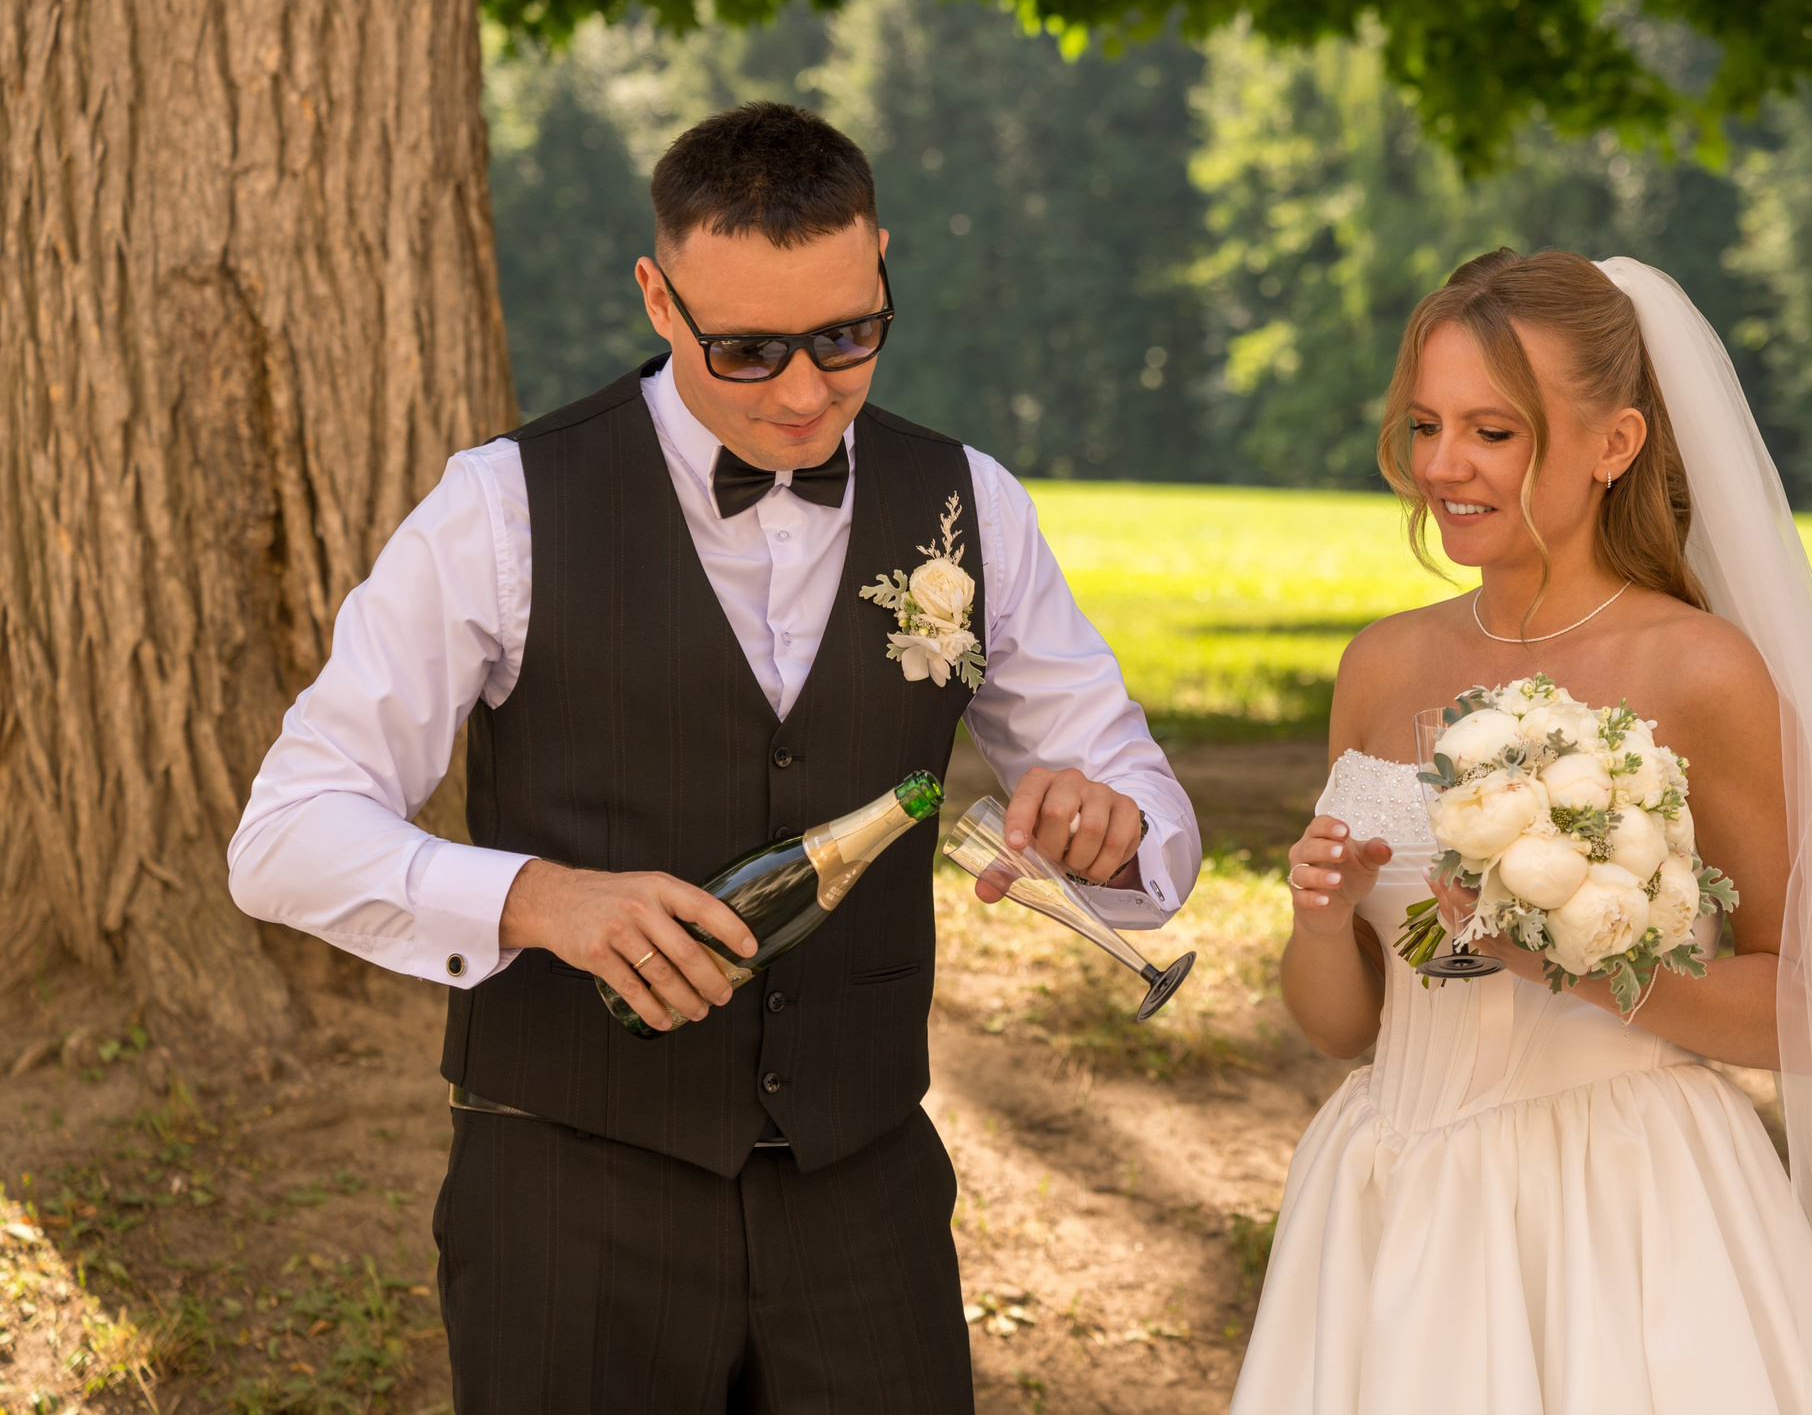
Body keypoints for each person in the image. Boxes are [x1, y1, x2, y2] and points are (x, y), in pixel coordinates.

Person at [227, 102, 1199, 1414]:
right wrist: (535, 897)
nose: (806, 390)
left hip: (866, 1191)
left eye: (848, 334)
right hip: (569, 1190)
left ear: (881, 262)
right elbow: (285, 833)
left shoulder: (973, 503)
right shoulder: (500, 506)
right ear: (658, 295)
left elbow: (1142, 798)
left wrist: (1113, 824)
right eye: (746, 348)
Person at [1230, 250, 1812, 1415]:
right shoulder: (1380, 663)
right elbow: (1344, 1024)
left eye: (1492, 433)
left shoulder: (1699, 671)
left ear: (1614, 445)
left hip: (1618, 1203)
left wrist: (1570, 958)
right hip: (1387, 1196)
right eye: (1424, 424)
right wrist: (1317, 919)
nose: (1442, 467)